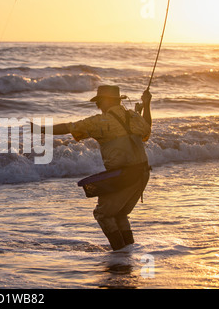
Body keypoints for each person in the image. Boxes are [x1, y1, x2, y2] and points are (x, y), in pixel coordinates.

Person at [33, 85, 152, 251]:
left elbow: (68, 127)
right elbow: (147, 128)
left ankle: (120, 254)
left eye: (99, 101)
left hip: (123, 177)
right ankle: (128, 252)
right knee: (119, 214)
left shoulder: (99, 122)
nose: (98, 105)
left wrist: (40, 129)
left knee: (103, 215)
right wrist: (147, 105)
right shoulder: (133, 116)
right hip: (143, 173)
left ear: (104, 101)